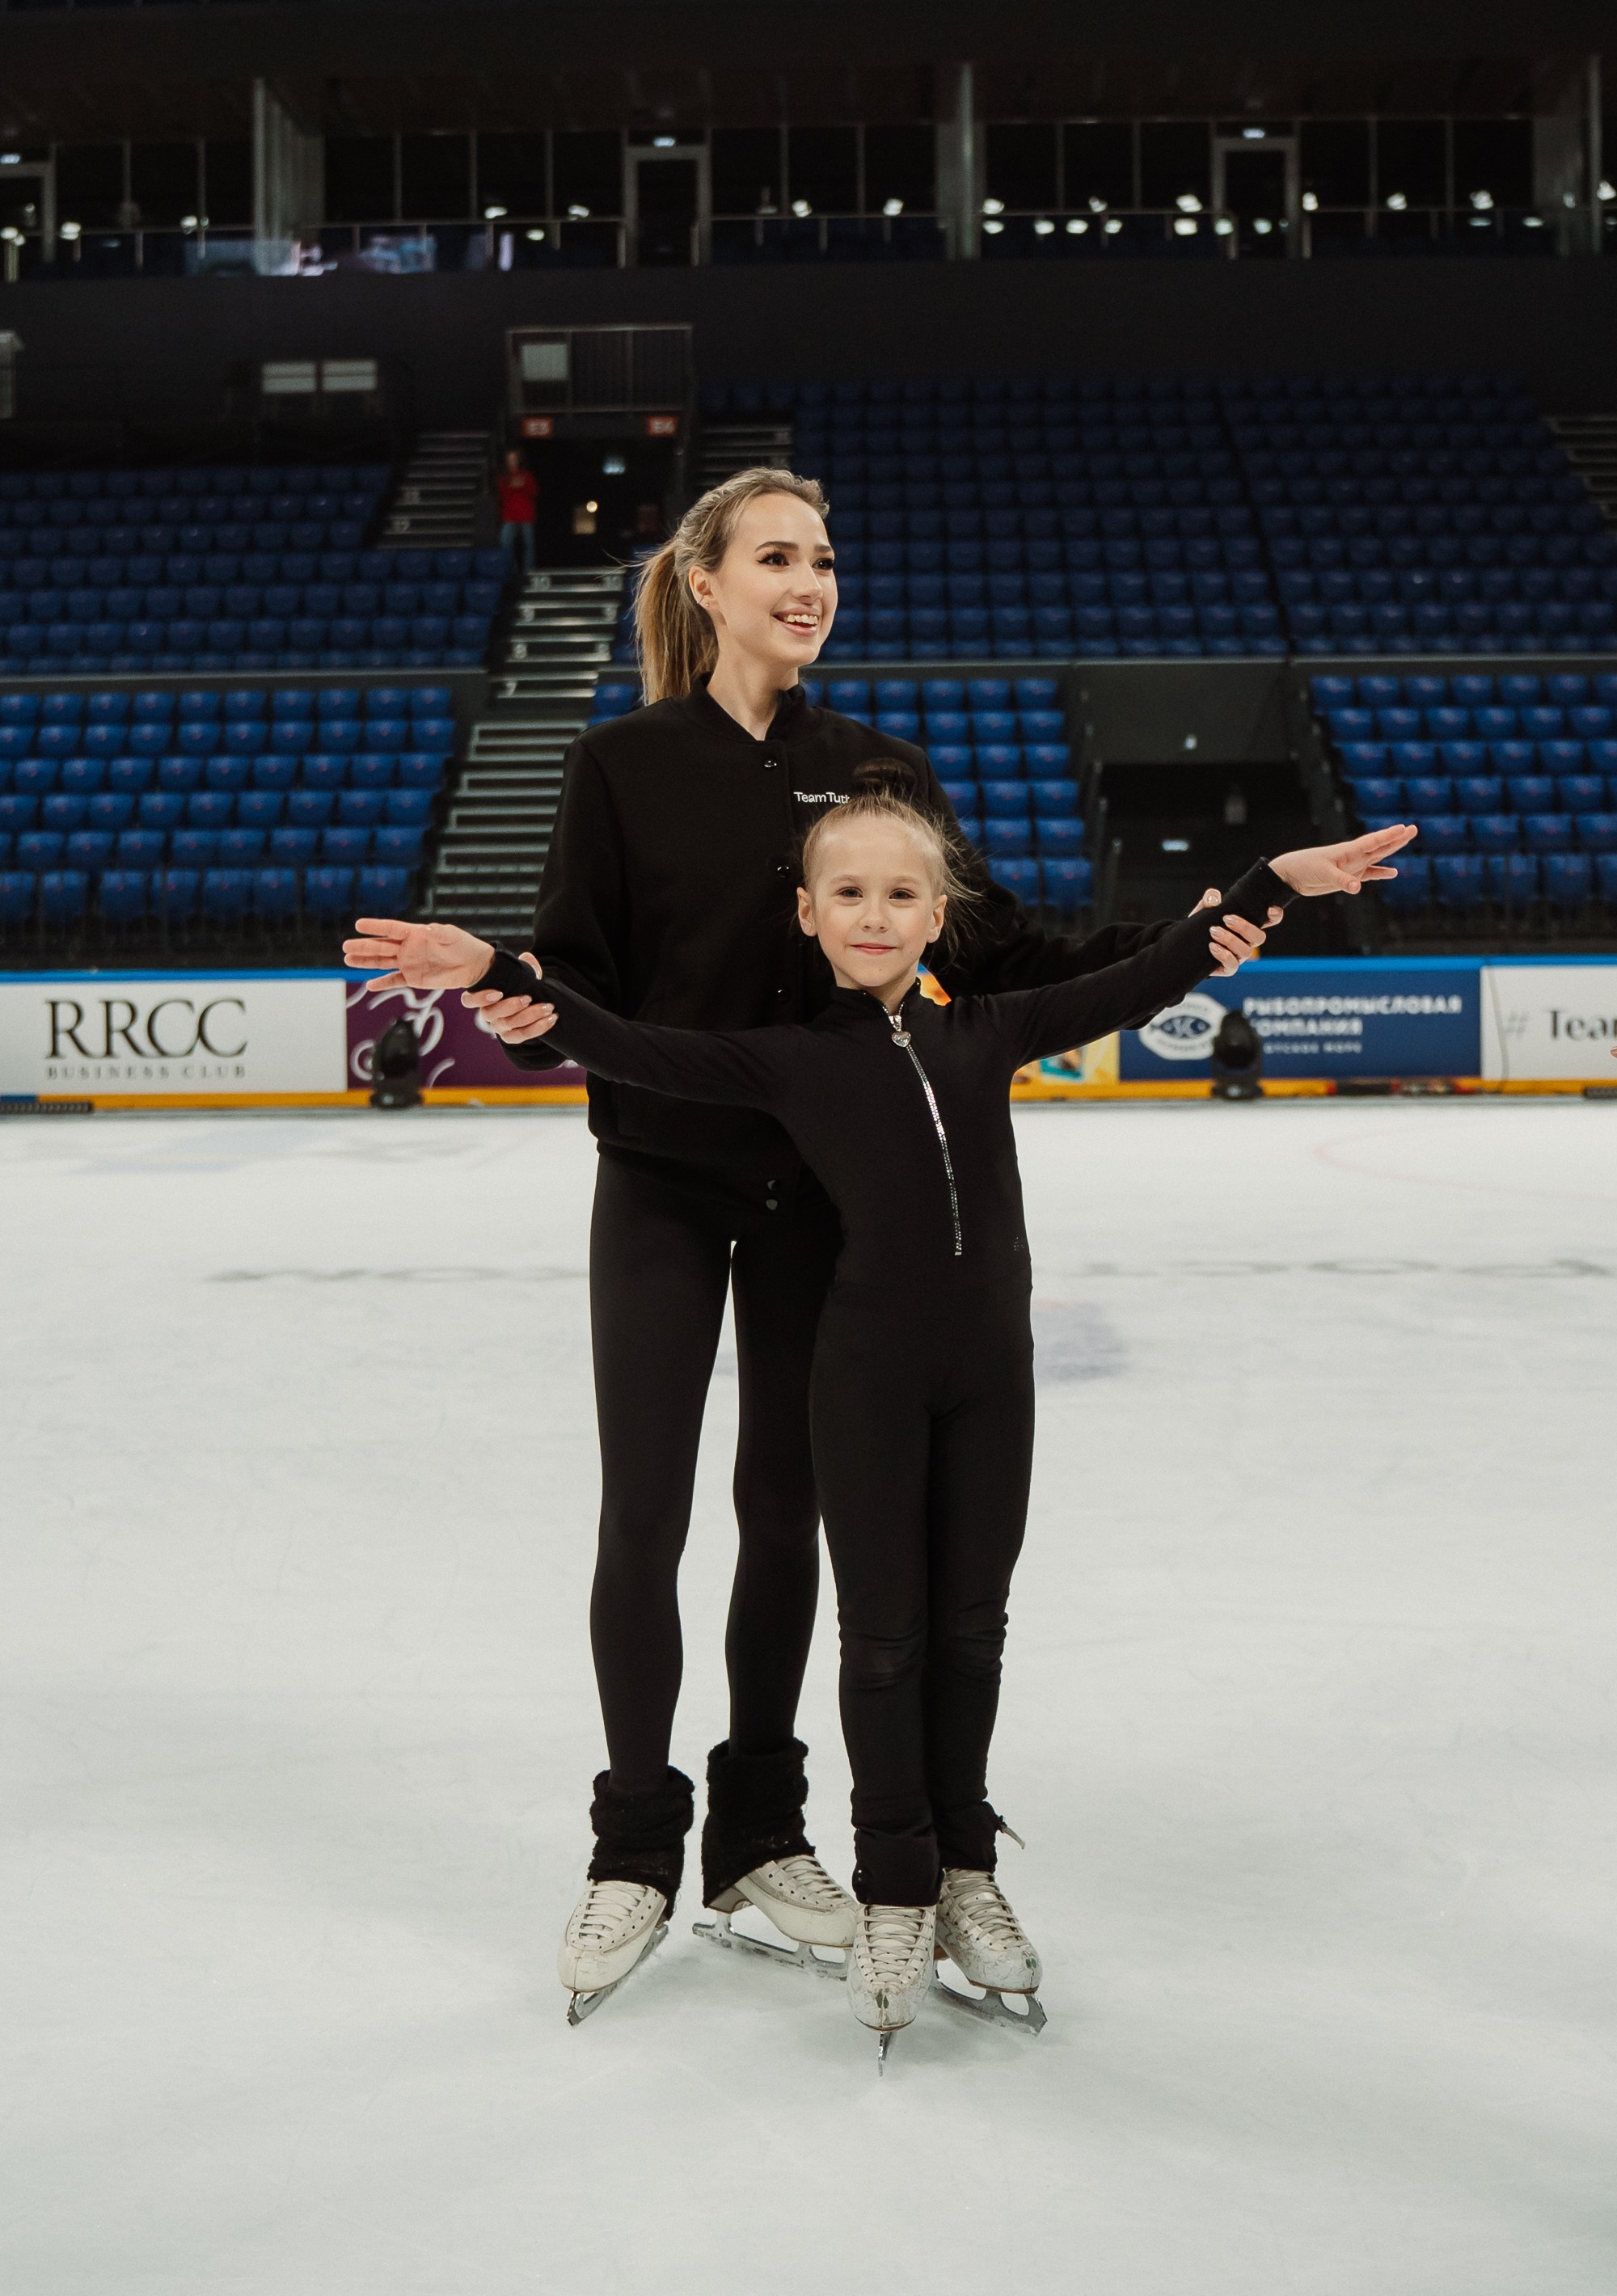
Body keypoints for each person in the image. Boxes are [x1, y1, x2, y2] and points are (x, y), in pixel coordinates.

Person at [340, 465, 1281, 2017]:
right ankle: (636, 1846)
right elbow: (573, 972)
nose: (811, 582)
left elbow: (1002, 953)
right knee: (643, 1517)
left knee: (787, 1516)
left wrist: (1191, 932)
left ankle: (761, 1833)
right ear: (702, 582)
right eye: (778, 557)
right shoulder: (622, 763)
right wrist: (507, 977)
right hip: (657, 1181)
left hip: (813, 1205)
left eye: (827, 560)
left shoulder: (875, 769)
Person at [349, 778, 1413, 2045]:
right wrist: (500, 970)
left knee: (974, 1632)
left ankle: (966, 1870)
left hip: (990, 1383)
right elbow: (632, 1042)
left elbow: (1147, 975)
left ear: (938, 912)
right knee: (887, 1639)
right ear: (806, 914)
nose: (872, 913)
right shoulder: (787, 1061)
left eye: (900, 893)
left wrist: (1272, 886)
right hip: (862, 1381)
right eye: (846, 894)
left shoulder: (992, 1027)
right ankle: (896, 1881)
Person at [496, 449, 538, 572]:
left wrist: (523, 486)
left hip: (525, 515)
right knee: (505, 544)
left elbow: (535, 492)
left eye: (514, 459)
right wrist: (512, 486)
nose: (512, 462)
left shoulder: (527, 476)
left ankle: (528, 570)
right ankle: (511, 570)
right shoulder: (503, 478)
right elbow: (502, 495)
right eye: (510, 459)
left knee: (529, 545)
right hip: (509, 515)